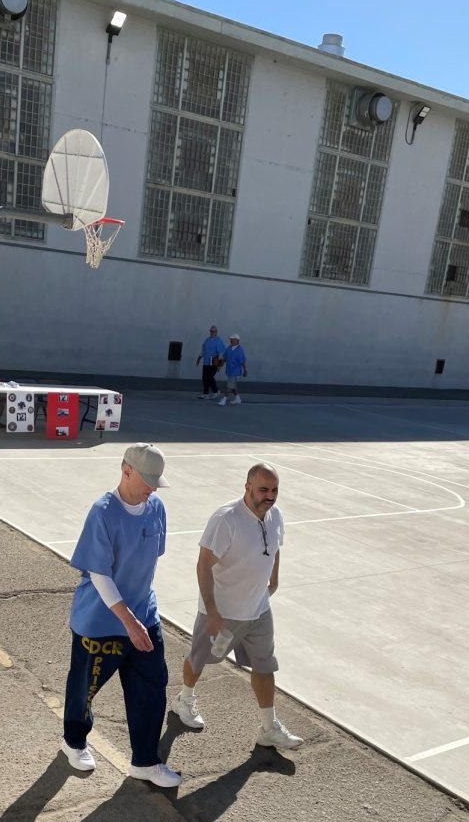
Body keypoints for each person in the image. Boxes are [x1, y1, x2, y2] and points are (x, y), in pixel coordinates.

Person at [62, 443, 182, 788]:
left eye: (157, 482)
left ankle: (145, 761)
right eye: (148, 480)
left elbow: (149, 561)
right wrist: (129, 621)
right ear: (126, 470)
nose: (153, 489)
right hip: (101, 623)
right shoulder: (103, 512)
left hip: (145, 616)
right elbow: (99, 573)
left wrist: (141, 616)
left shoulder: (157, 508)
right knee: (85, 689)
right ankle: (73, 742)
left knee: (151, 688)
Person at [171, 463, 303, 750]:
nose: (270, 496)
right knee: (200, 659)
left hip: (258, 609)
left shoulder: (275, 515)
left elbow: (275, 547)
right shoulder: (226, 519)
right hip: (223, 612)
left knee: (264, 665)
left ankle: (268, 727)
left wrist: (274, 579)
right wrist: (212, 611)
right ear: (247, 487)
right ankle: (184, 699)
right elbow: (203, 565)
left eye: (275, 490)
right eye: (263, 489)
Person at [195, 325, 225, 399]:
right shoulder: (207, 340)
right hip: (206, 362)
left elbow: (220, 354)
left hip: (214, 361)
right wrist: (198, 359)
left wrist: (219, 365)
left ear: (216, 332)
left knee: (210, 377)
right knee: (204, 378)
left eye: (213, 331)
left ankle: (216, 391)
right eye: (211, 331)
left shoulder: (218, 341)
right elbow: (203, 350)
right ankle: (205, 394)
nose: (212, 333)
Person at [218, 333, 247, 406]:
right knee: (233, 386)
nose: (230, 340)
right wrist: (220, 366)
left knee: (229, 386)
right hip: (229, 370)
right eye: (230, 339)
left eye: (232, 339)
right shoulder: (229, 347)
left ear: (237, 340)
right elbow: (224, 358)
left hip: (235, 371)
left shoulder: (240, 350)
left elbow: (242, 361)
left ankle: (224, 399)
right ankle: (238, 399)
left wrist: (245, 371)